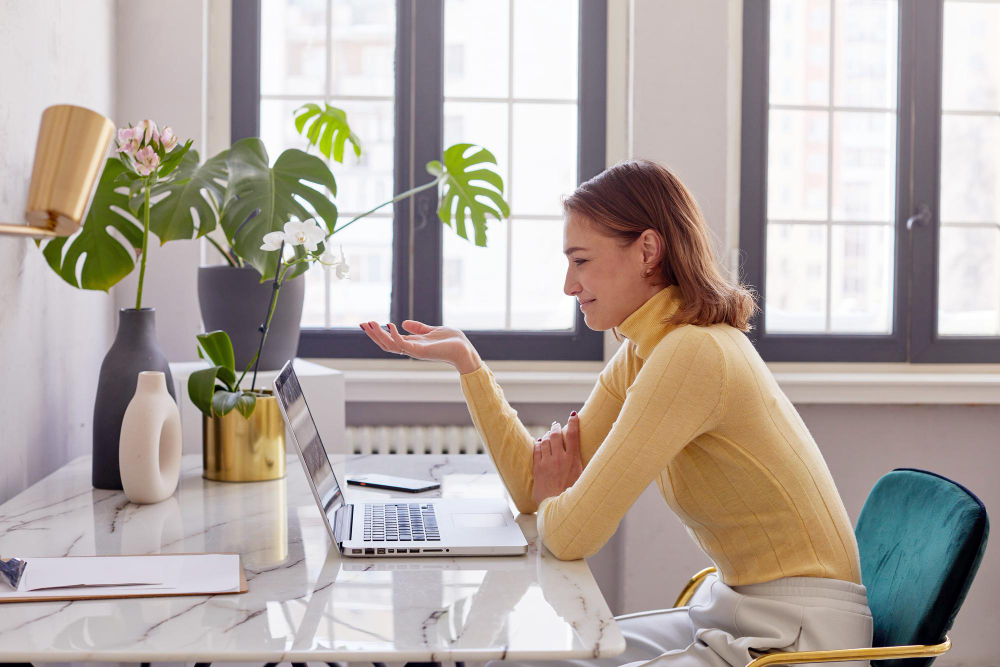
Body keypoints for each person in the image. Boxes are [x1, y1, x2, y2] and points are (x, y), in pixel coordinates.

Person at [359, 159, 872, 667]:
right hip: (736, 610)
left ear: (647, 250)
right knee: (547, 656)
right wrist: (469, 366)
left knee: (548, 660)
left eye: (580, 261)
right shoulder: (645, 351)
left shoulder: (692, 353)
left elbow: (570, 534)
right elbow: (529, 487)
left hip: (800, 639)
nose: (568, 285)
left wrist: (557, 497)